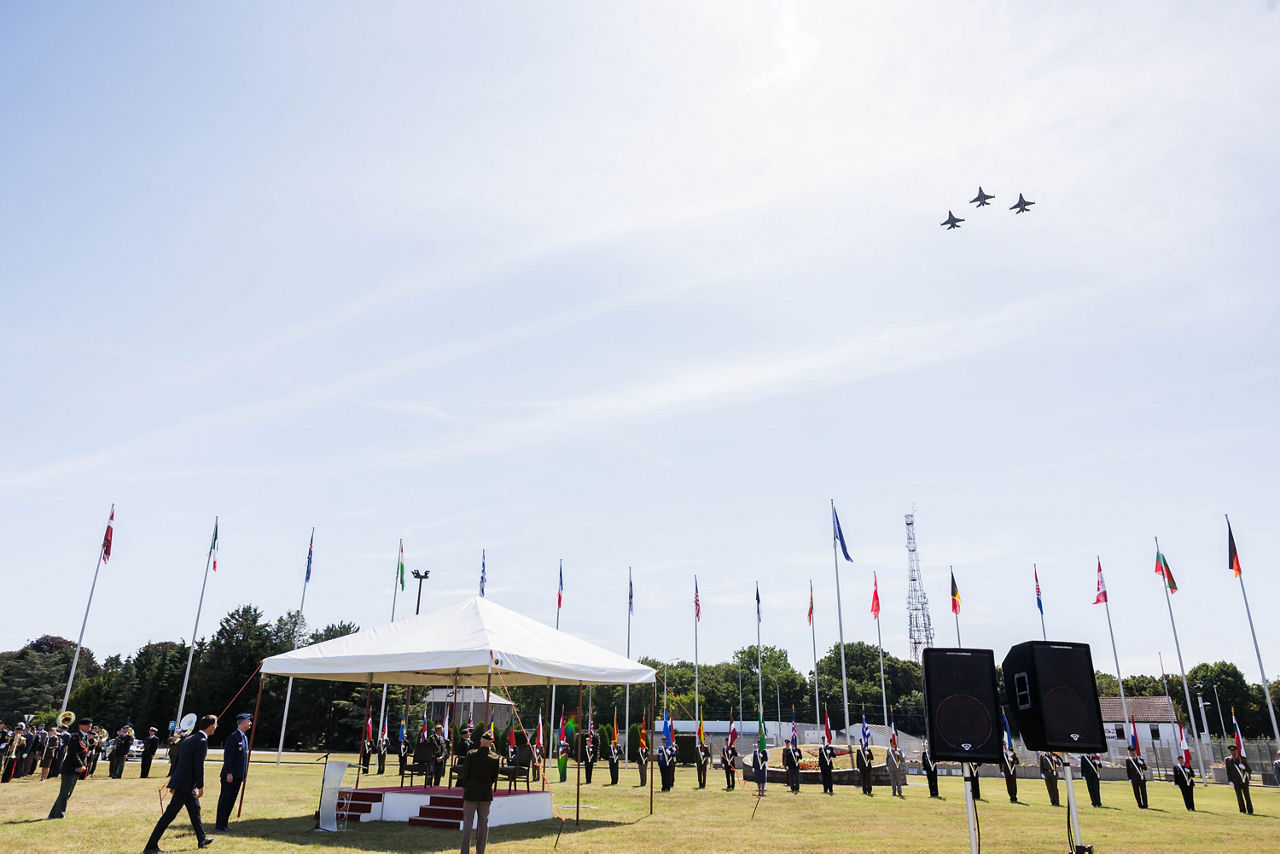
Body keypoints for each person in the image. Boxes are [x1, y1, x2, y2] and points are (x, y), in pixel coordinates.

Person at [144, 714, 216, 853]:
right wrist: (201, 786)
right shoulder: (200, 741)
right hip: (185, 785)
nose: (217, 727)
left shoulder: (189, 739)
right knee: (169, 815)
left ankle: (202, 839)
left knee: (195, 811)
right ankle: (151, 846)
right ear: (211, 726)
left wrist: (173, 782)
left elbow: (177, 762)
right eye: (216, 724)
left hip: (184, 784)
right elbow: (198, 765)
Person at [458, 729, 500, 854]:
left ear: (481, 741)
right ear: (491, 743)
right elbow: (494, 777)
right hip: (485, 793)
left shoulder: (471, 754)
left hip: (471, 791)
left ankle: (465, 851)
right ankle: (480, 851)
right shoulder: (495, 757)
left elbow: (464, 774)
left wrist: (465, 786)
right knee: (483, 824)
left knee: (468, 823)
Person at [48, 717, 93, 819]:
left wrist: (84, 765)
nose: (90, 727)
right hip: (70, 768)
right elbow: (72, 753)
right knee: (65, 793)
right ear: (81, 725)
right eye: (88, 725)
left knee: (67, 793)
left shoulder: (84, 737)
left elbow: (84, 753)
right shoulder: (75, 737)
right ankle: (59, 814)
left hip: (77, 768)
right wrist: (80, 765)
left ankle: (54, 814)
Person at [215, 713, 252, 832]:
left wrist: (244, 775)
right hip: (229, 776)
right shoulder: (233, 737)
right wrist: (229, 773)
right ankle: (219, 824)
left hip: (238, 775)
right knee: (225, 799)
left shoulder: (244, 738)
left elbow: (243, 759)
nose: (250, 723)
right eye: (248, 721)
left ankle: (225, 823)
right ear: (241, 722)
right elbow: (229, 757)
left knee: (231, 800)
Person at [1226, 744, 1253, 815]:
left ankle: (1250, 810)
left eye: (1234, 751)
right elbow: (1228, 771)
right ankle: (1242, 810)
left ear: (1237, 751)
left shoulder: (1242, 759)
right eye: (1231, 751)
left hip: (1244, 780)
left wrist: (1244, 767)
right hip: (1235, 781)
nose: (1233, 752)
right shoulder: (1228, 760)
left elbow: (1250, 771)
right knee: (1239, 796)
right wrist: (1230, 780)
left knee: (1247, 796)